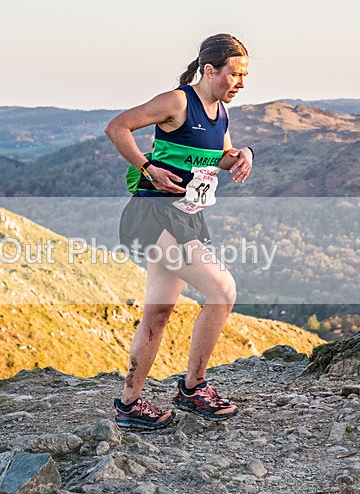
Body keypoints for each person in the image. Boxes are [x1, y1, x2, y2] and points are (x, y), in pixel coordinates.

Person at [105, 33, 253, 430]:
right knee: (222, 290)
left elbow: (220, 155)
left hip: (186, 217)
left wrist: (243, 155)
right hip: (153, 215)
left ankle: (129, 404)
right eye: (234, 74)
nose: (240, 83)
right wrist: (147, 167)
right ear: (209, 70)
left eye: (244, 76)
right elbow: (117, 127)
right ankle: (194, 387)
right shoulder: (178, 101)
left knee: (158, 313)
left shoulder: (220, 112)